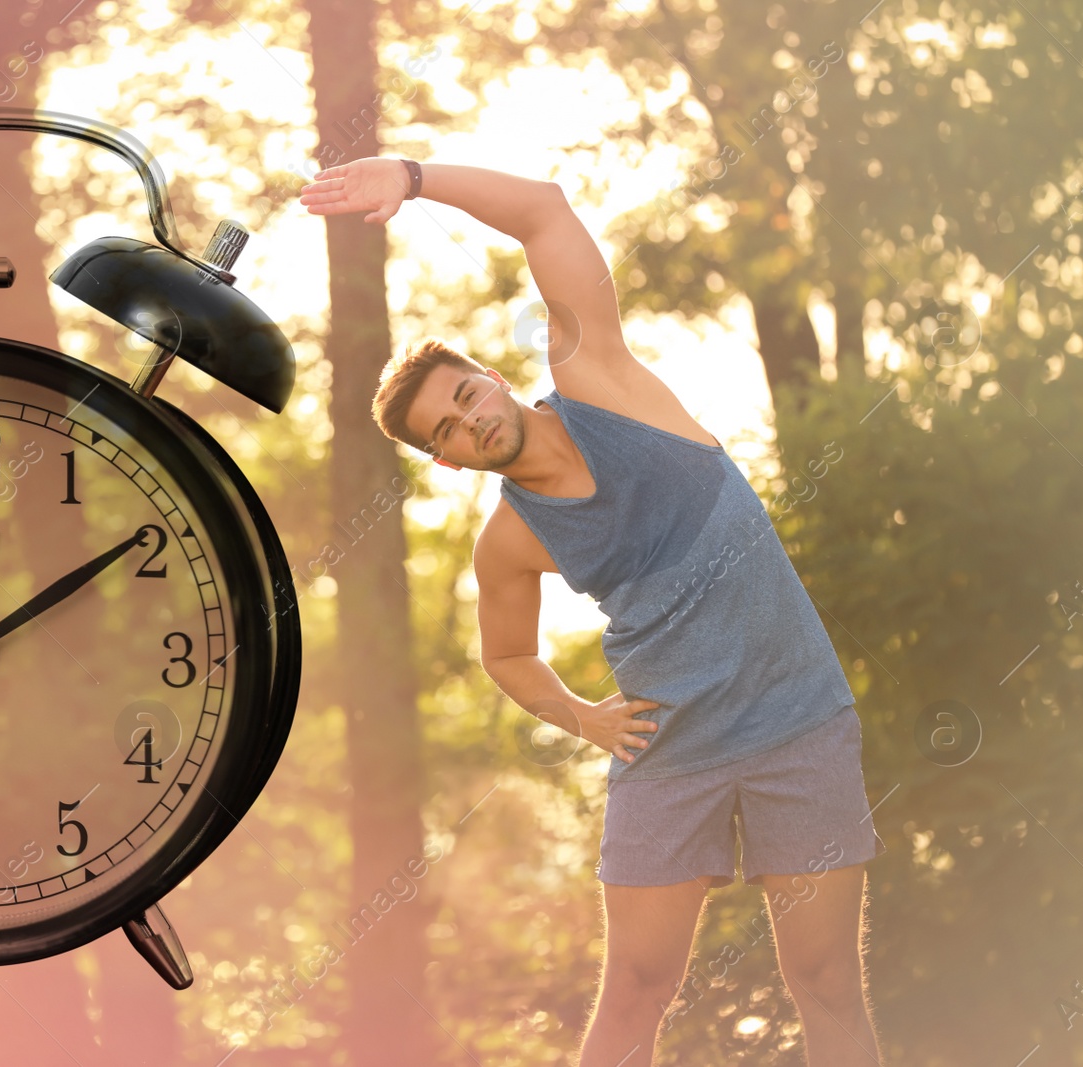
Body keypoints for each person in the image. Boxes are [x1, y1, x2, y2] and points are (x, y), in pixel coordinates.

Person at [299, 157, 886, 1066]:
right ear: (446, 461)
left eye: (466, 396)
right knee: (636, 995)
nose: (469, 422)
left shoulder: (599, 376)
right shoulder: (508, 542)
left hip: (797, 722)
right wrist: (584, 717)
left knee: (826, 986)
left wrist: (411, 177)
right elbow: (508, 657)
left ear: (492, 376)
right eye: (445, 432)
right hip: (668, 755)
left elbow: (543, 212)